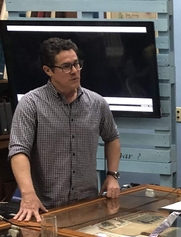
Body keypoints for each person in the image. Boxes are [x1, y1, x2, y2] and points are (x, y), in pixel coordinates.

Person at [8, 38, 121, 222]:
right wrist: (28, 194)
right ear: (48, 70)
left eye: (77, 64)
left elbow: (112, 137)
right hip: (45, 208)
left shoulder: (97, 103)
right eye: (66, 67)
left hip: (87, 204)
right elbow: (18, 151)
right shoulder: (31, 104)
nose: (75, 71)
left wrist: (112, 175)